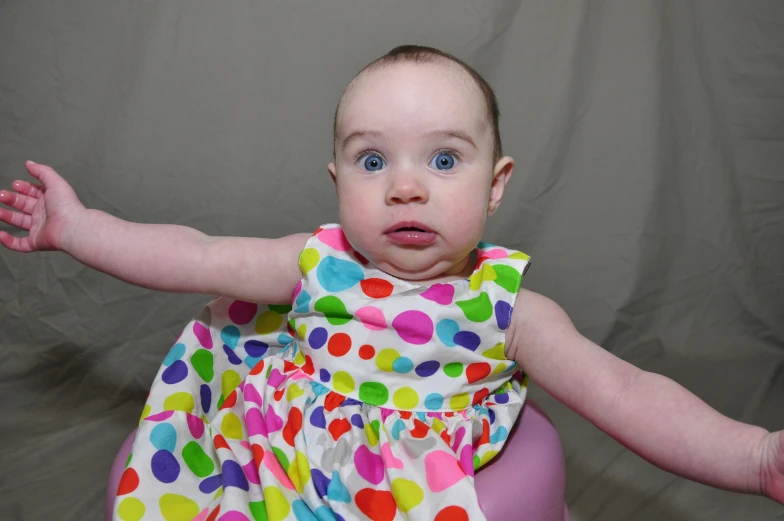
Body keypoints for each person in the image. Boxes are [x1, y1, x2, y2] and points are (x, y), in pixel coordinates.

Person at [1, 45, 781, 521]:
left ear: (497, 181)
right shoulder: (317, 262)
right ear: (338, 179)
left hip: (411, 484)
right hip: (282, 458)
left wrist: (755, 457)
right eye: (374, 161)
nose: (406, 188)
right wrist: (78, 229)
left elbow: (628, 389)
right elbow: (194, 253)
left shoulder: (511, 311)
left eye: (443, 160)